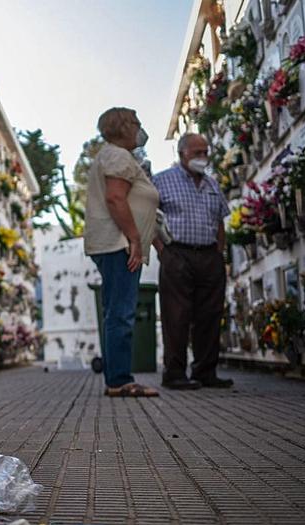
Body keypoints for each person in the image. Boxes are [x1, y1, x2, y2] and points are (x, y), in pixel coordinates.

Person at [83, 107, 160, 397]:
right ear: (124, 126)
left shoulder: (112, 155)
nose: (141, 128)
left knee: (115, 311)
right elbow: (116, 199)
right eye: (137, 123)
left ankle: (117, 378)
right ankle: (119, 381)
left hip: (114, 244)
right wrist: (135, 239)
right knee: (121, 312)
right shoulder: (117, 155)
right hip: (119, 245)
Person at [152, 133, 233, 390]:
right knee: (176, 315)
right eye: (196, 153)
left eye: (205, 152)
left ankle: (205, 371)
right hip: (177, 253)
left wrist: (218, 253)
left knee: (210, 314)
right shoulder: (163, 180)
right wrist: (162, 250)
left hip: (209, 255)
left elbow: (220, 220)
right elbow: (149, 218)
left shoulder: (211, 184)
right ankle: (174, 373)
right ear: (182, 154)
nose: (202, 158)